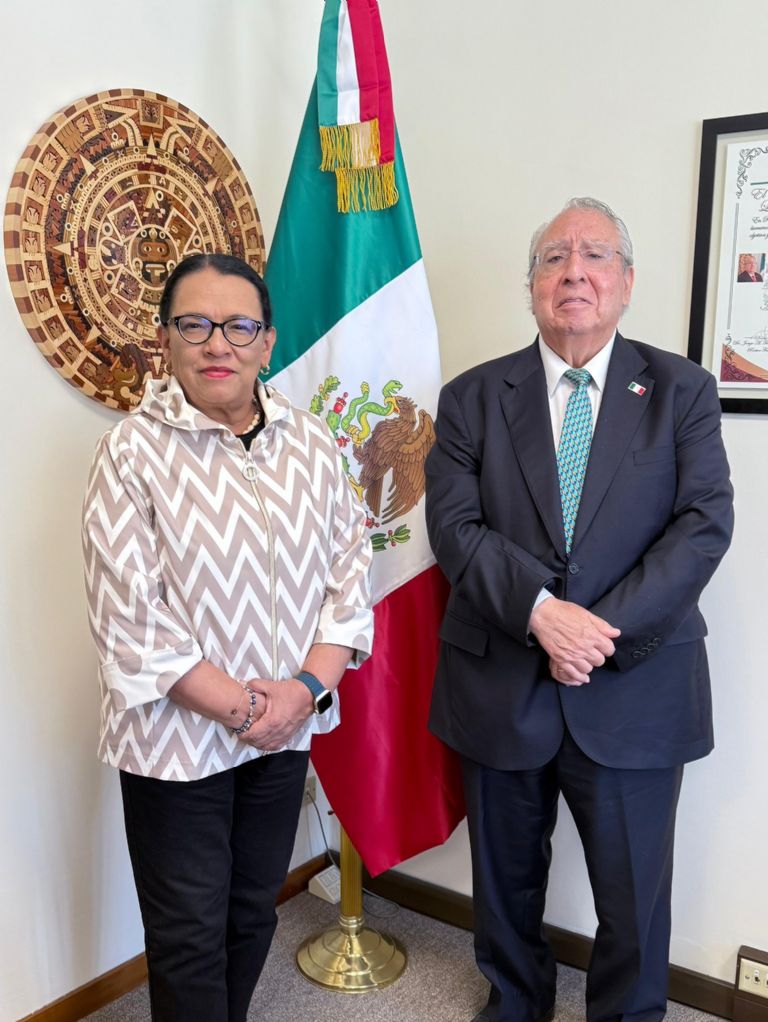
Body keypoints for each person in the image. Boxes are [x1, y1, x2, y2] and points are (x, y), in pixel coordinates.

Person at [425, 197, 733, 1022]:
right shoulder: (471, 397)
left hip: (634, 686)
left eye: (595, 255)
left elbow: (703, 525)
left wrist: (594, 633)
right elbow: (454, 529)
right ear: (530, 286)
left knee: (633, 899)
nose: (575, 272)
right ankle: (515, 1006)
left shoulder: (681, 390)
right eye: (554, 258)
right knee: (505, 884)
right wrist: (538, 613)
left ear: (626, 282)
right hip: (501, 683)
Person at [82, 253, 373, 1022]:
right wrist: (249, 709)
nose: (220, 344)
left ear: (268, 340)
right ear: (166, 339)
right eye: (196, 324)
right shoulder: (131, 453)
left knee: (251, 913)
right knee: (187, 934)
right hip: (175, 744)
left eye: (239, 326)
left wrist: (304, 692)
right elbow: (131, 619)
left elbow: (349, 577)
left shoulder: (312, 444)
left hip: (285, 727)